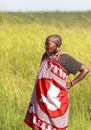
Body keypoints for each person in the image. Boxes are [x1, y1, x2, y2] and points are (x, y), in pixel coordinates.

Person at [24, 34, 89, 130]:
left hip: (56, 102)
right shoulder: (45, 56)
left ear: (57, 45)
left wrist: (71, 83)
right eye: (45, 44)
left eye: (48, 44)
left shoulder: (65, 59)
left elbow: (85, 70)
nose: (45, 46)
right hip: (42, 100)